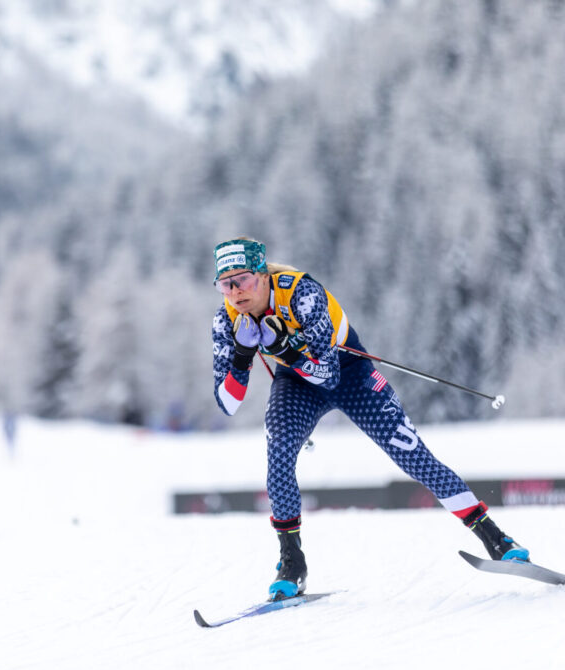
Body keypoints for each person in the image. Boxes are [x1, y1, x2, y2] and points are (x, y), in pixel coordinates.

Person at [210, 237, 530, 601]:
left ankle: (495, 538)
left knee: (413, 456)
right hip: (296, 383)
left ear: (263, 275)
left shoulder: (301, 293)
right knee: (278, 453)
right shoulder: (227, 318)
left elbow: (328, 375)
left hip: (348, 372)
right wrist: (240, 356)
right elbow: (227, 403)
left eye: (244, 280)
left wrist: (284, 348)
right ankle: (291, 564)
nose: (236, 292)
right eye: (226, 283)